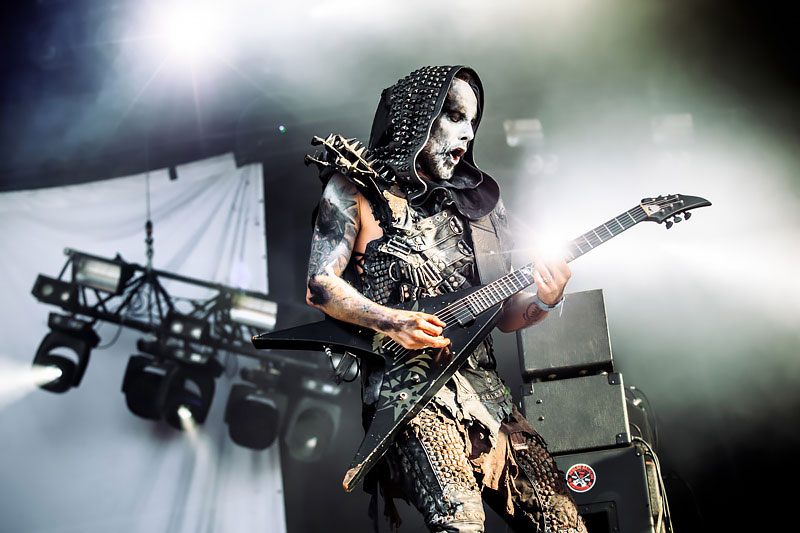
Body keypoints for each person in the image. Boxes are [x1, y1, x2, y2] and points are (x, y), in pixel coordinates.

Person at [305, 65, 587, 533]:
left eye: (472, 122)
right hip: (409, 393)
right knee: (460, 521)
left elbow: (506, 316)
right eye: (454, 116)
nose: (466, 133)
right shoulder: (354, 190)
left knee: (565, 524)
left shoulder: (475, 210)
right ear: (418, 117)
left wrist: (547, 299)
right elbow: (321, 285)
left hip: (486, 394)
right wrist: (392, 321)